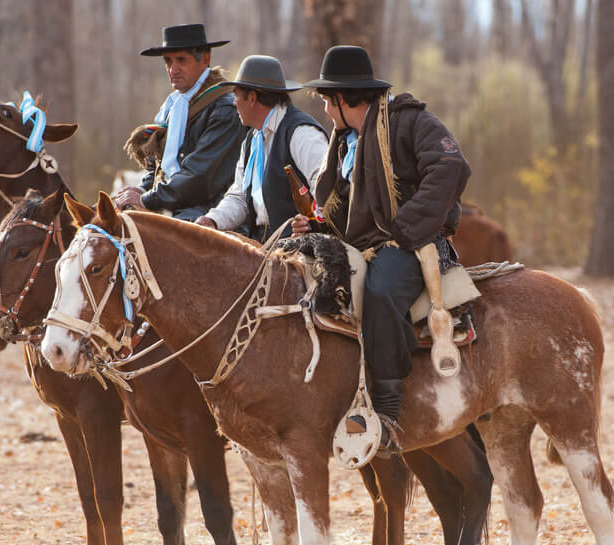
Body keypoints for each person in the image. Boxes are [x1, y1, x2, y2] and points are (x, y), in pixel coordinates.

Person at [301, 45, 471, 447]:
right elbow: (347, 207)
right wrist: (314, 224)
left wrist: (404, 228)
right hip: (372, 242)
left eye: (327, 101)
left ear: (343, 100)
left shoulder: (410, 121)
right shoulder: (346, 141)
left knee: (378, 292)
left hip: (414, 243)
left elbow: (451, 167)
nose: (325, 110)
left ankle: (388, 412)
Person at [115, 23, 244, 221]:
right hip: (175, 206)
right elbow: (161, 169)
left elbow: (200, 178)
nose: (173, 69)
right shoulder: (175, 107)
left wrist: (148, 199)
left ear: (205, 59)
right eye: (168, 61)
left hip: (209, 215)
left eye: (181, 60)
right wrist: (140, 190)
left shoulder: (224, 109)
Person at [195, 55, 328, 240]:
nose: (234, 103)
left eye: (236, 95)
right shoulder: (251, 140)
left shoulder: (301, 132)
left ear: (252, 97)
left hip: (298, 247)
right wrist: (212, 220)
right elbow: (239, 196)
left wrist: (308, 221)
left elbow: (324, 186)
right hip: (260, 243)